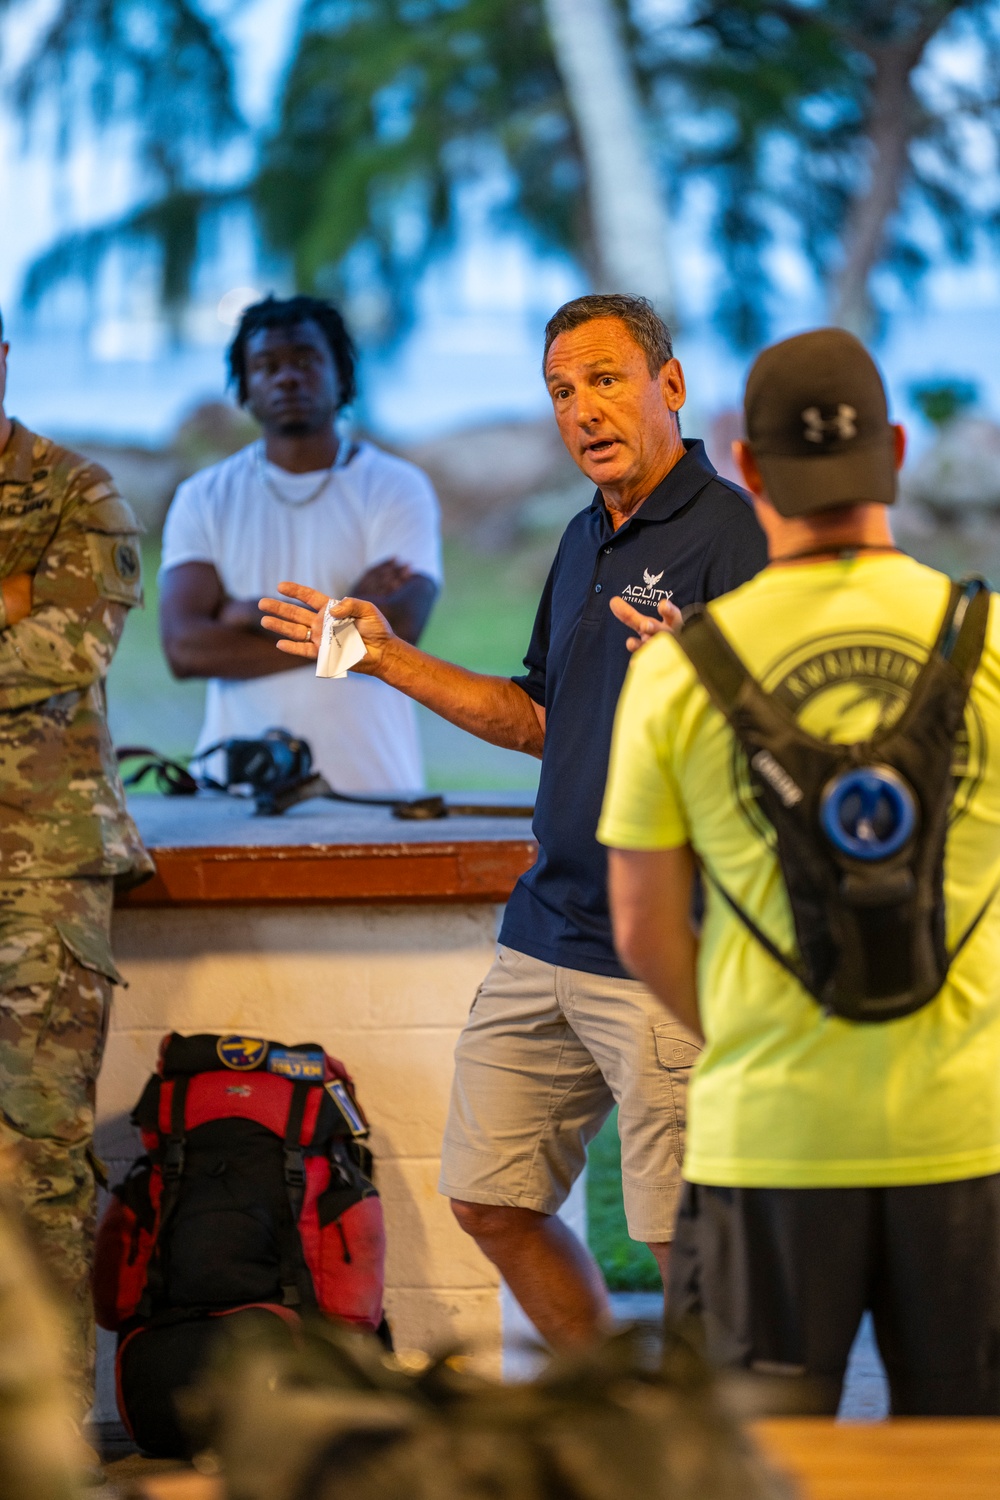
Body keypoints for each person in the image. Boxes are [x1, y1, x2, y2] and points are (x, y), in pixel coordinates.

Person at [259, 293, 768, 1348]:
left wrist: (703, 678)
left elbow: (784, 746)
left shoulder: (737, 538)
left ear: (670, 387)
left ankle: (711, 1454)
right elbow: (536, 716)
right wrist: (384, 654)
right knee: (489, 1199)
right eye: (560, 391)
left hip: (669, 947)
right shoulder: (586, 536)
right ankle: (619, 1410)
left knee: (689, 1246)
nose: (582, 409)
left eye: (606, 379)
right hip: (545, 932)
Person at [600, 327, 1000, 1415]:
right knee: (971, 1467)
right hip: (967, 1133)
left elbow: (639, 929)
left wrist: (756, 1032)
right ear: (899, 452)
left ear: (747, 465)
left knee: (744, 1473)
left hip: (765, 1138)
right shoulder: (986, 641)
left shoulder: (679, 672)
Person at [0, 308, 152, 1425]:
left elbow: (64, 646)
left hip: (36, 874)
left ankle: (47, 1446)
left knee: (36, 1165)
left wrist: (31, 608)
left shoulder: (75, 491)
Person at [159, 293, 442, 792]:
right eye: (266, 365)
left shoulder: (397, 486)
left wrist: (247, 615)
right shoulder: (203, 497)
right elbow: (186, 649)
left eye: (306, 360)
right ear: (245, 387)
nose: (287, 377)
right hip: (236, 789)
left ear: (342, 376)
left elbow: (400, 625)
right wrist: (348, 624)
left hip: (372, 785)